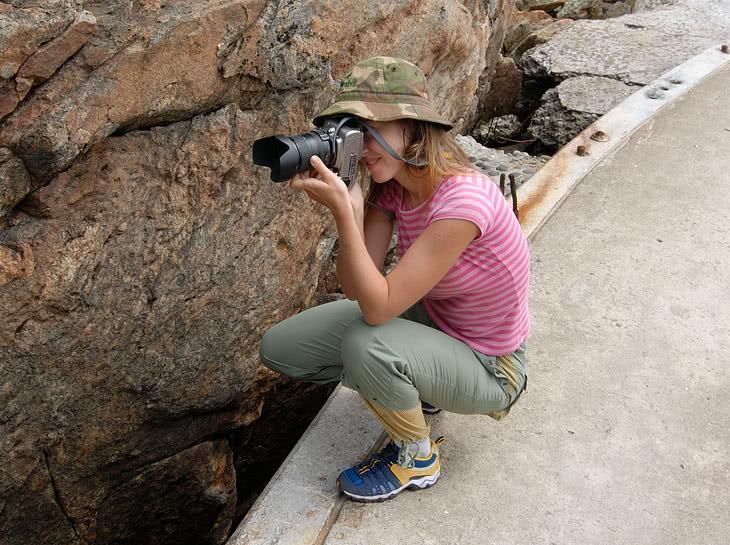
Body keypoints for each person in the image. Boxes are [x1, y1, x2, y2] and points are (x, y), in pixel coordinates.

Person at [259, 56, 530, 502]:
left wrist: (345, 216)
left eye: (371, 130)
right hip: (437, 326)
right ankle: (416, 383)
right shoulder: (393, 187)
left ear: (414, 127)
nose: (361, 146)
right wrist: (356, 208)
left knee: (367, 344)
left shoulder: (464, 202)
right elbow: (357, 287)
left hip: (491, 366)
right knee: (282, 348)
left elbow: (379, 308)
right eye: (352, 132)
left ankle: (416, 458)